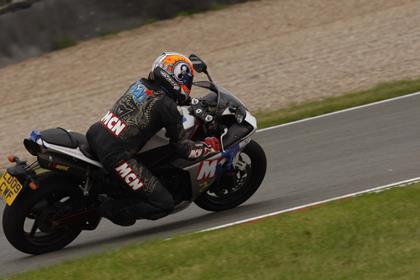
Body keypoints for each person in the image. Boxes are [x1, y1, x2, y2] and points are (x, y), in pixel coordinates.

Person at [86, 52, 221, 226]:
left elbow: (153, 106)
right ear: (177, 78)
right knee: (163, 203)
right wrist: (208, 147)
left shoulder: (140, 84)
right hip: (115, 154)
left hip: (97, 132)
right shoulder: (167, 106)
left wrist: (187, 102)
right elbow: (183, 149)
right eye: (186, 80)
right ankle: (104, 208)